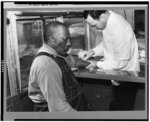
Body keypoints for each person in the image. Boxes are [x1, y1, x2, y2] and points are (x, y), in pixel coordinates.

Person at [82, 10, 140, 110]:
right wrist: (92, 51)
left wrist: (97, 64)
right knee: (115, 106)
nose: (94, 28)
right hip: (117, 76)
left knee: (123, 111)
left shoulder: (119, 28)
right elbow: (107, 43)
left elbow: (120, 63)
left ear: (102, 17)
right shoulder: (107, 22)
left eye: (94, 25)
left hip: (126, 79)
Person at [28, 21, 91, 112]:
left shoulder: (57, 54)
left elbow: (73, 61)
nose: (69, 43)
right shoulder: (46, 64)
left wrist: (90, 64)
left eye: (70, 39)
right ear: (52, 40)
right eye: (65, 39)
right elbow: (59, 109)